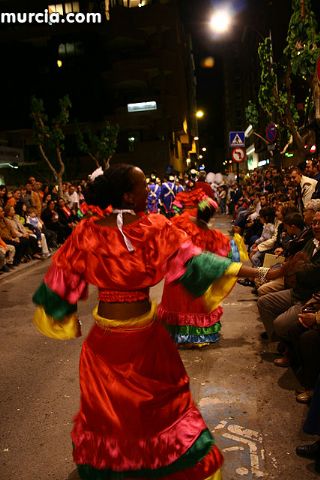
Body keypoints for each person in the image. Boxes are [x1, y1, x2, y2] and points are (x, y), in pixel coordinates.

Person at [32, 164, 281, 480]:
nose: (148, 191)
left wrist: (66, 316)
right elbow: (200, 262)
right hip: (135, 345)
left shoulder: (91, 231)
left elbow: (59, 282)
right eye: (142, 186)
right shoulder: (151, 228)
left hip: (116, 345)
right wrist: (260, 272)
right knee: (150, 417)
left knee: (118, 419)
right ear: (127, 195)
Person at [158, 196, 244, 347]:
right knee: (193, 306)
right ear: (211, 215)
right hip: (196, 278)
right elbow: (226, 255)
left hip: (176, 276)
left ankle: (175, 334)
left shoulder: (180, 222)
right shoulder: (213, 236)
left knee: (176, 306)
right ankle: (192, 337)